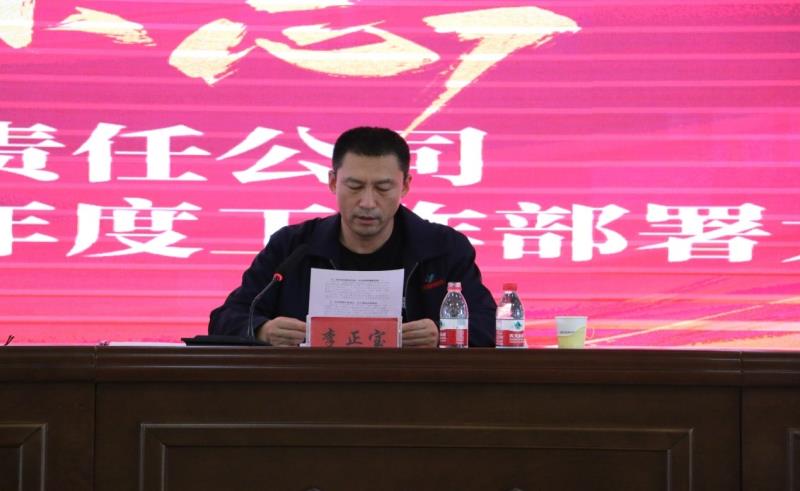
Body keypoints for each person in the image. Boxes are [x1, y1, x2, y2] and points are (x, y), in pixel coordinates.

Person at [209, 126, 496, 347]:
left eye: (383, 188)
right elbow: (225, 319)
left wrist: (443, 333)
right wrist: (263, 330)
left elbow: (491, 325)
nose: (368, 202)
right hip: (308, 393)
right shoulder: (292, 247)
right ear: (333, 182)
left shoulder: (443, 248)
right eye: (355, 186)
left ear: (406, 185)